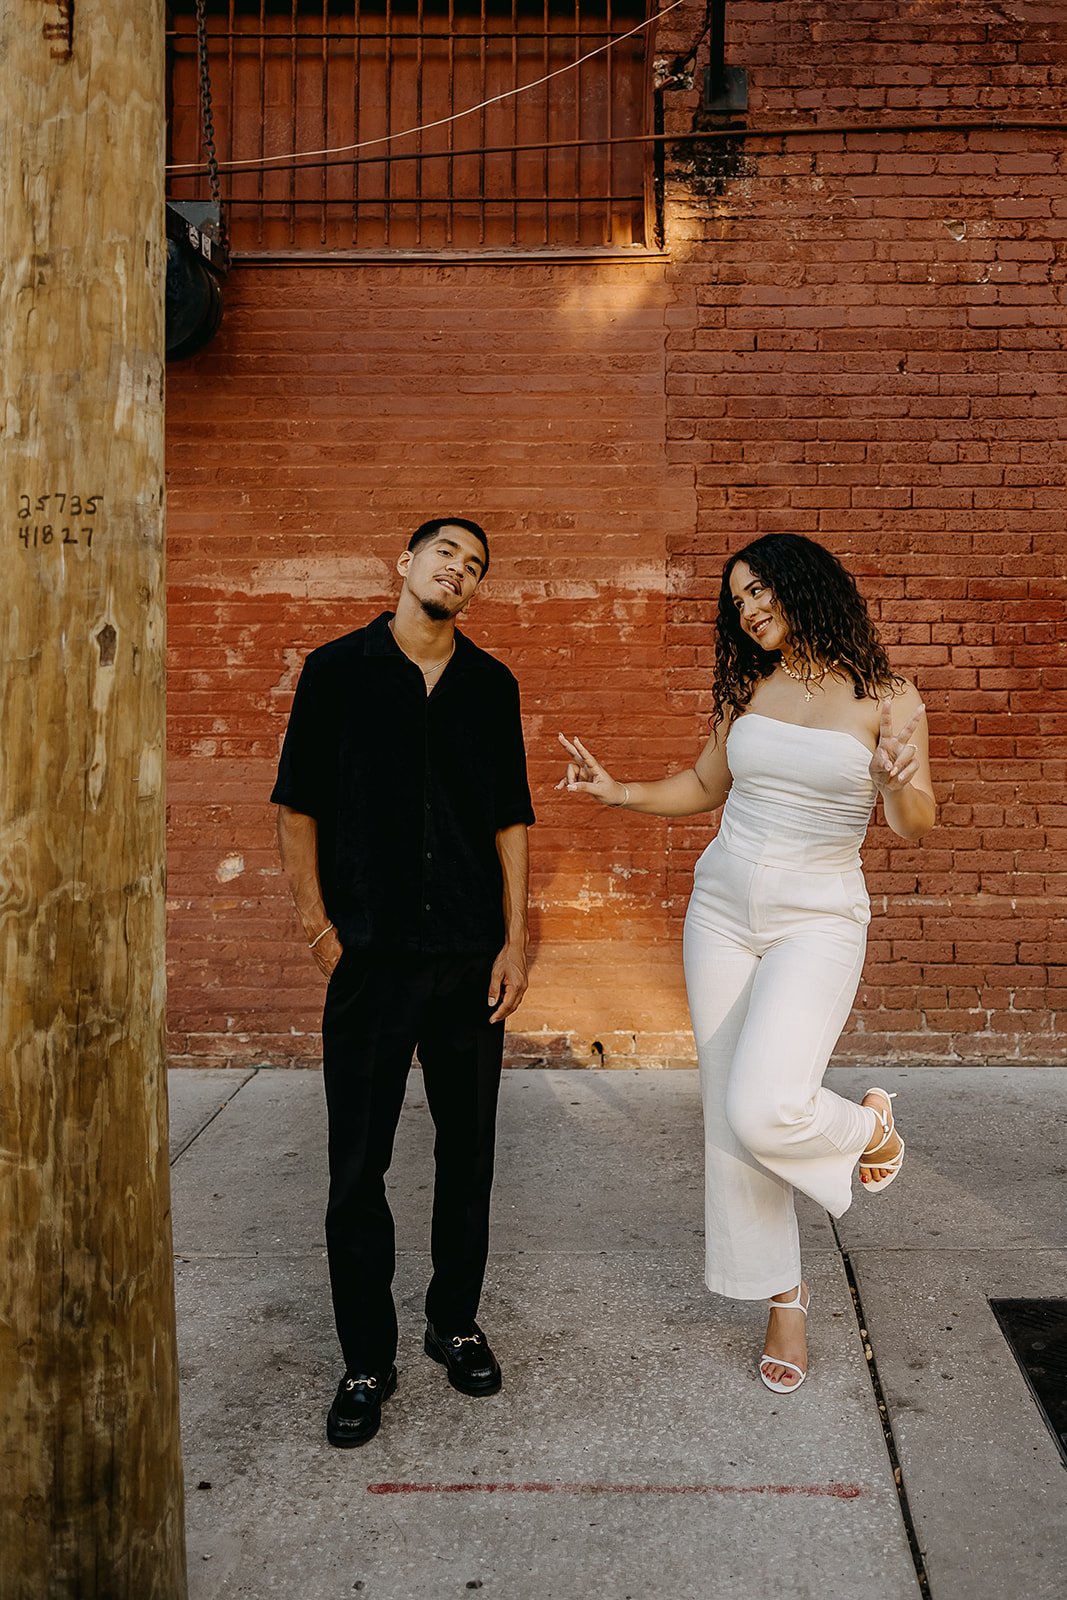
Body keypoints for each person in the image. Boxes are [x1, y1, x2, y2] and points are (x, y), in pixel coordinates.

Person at [558, 533, 935, 1395]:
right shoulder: (748, 688)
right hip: (720, 914)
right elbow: (702, 785)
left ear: (807, 586)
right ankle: (785, 1298)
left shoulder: (889, 696)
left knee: (766, 1108)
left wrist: (897, 780)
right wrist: (619, 792)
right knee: (729, 1121)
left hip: (818, 919)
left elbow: (916, 825)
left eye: (762, 589)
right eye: (737, 599)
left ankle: (869, 1128)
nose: (750, 608)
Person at [272, 517, 534, 1446]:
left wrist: (514, 939)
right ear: (404, 563)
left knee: (468, 1161)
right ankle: (365, 1359)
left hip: (469, 958)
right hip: (370, 959)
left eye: (472, 567)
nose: (456, 572)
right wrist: (318, 931)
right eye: (444, 556)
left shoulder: (492, 685)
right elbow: (296, 806)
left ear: (476, 590)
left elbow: (510, 821)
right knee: (357, 1172)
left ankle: (452, 1323)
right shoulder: (336, 671)